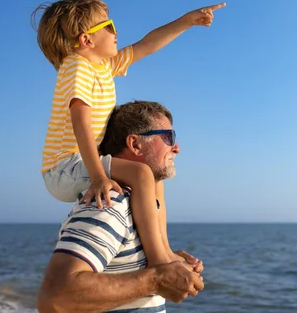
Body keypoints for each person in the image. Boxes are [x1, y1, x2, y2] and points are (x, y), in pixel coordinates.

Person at [33, 0, 225, 267]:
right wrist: (99, 176)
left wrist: (186, 21)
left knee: (154, 175)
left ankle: (164, 249)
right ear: (86, 40)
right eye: (109, 26)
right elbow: (80, 121)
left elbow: (147, 45)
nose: (116, 32)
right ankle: (159, 260)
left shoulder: (103, 67)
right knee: (140, 172)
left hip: (79, 164)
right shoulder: (77, 66)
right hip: (63, 168)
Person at [38, 101, 203, 313]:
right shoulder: (110, 205)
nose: (177, 148)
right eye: (168, 137)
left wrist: (172, 260)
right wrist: (156, 279)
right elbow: (55, 297)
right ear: (135, 144)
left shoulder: (144, 205)